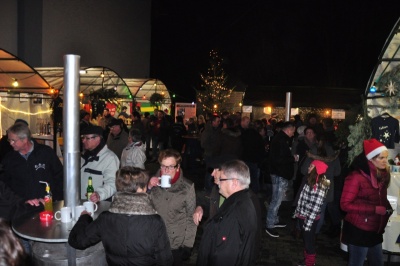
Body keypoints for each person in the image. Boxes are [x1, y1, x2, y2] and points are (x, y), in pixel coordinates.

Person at [69, 167, 173, 266]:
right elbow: (165, 261)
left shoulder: (105, 218)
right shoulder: (155, 221)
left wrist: (84, 218)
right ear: (141, 189)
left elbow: (77, 241)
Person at [196, 160, 259, 266]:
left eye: (222, 179)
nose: (218, 183)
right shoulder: (243, 201)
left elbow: (224, 256)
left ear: (234, 182)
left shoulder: (233, 214)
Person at [341, 139, 393, 266]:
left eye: (386, 157)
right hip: (359, 231)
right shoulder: (356, 177)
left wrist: (387, 207)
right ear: (371, 159)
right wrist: (374, 209)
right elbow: (345, 205)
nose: (385, 161)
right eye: (381, 158)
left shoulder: (382, 175)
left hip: (375, 230)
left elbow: (379, 197)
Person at [147, 149, 197, 266]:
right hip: (153, 241)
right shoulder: (153, 183)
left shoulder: (187, 187)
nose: (165, 171)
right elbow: (142, 206)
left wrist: (188, 245)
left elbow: (191, 218)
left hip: (175, 244)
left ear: (178, 167)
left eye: (170, 167)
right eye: (163, 166)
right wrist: (148, 187)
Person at [0, 123, 64, 201]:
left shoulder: (46, 153)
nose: (10, 143)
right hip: (24, 208)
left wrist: (53, 198)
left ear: (25, 139)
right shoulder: (9, 159)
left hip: (48, 204)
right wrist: (20, 202)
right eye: (9, 140)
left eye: (13, 140)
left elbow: (60, 177)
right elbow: (5, 186)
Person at [295, 160, 330, 266]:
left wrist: (307, 224)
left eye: (311, 166)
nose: (308, 168)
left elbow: (315, 208)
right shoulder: (310, 181)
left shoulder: (318, 187)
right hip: (303, 215)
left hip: (309, 219)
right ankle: (307, 260)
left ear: (316, 170)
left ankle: (310, 263)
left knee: (309, 243)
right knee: (306, 241)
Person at [265, 121, 297, 238]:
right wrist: (292, 159)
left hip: (279, 173)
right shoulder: (280, 141)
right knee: (276, 200)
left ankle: (274, 219)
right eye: (293, 131)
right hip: (279, 174)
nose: (293, 134)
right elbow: (279, 159)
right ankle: (269, 224)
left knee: (277, 199)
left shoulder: (280, 139)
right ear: (288, 130)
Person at [80, 125, 119, 202]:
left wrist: (99, 194)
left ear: (98, 138)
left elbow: (112, 183)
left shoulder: (110, 158)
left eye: (87, 138)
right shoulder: (84, 156)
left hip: (98, 205)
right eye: (83, 138)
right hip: (81, 203)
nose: (83, 141)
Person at [200, 115, 221, 191]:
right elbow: (203, 144)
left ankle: (209, 186)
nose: (219, 123)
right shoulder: (208, 131)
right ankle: (207, 187)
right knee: (210, 171)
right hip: (209, 154)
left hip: (214, 154)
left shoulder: (217, 130)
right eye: (217, 121)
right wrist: (213, 147)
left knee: (212, 171)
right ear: (213, 122)